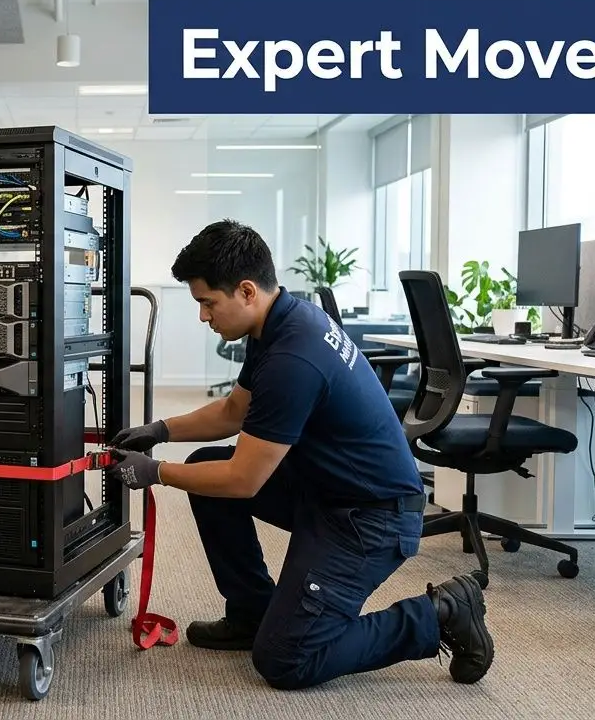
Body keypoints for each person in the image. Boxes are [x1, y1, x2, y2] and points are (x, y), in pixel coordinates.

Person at [105, 220, 493, 690]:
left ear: (246, 291)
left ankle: (440, 613)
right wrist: (162, 429)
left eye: (208, 303)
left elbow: (243, 480)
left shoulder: (294, 358)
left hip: (371, 520)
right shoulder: (281, 321)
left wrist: (157, 472)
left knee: (287, 659)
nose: (204, 317)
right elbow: (234, 410)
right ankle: (251, 614)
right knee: (203, 465)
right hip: (325, 489)